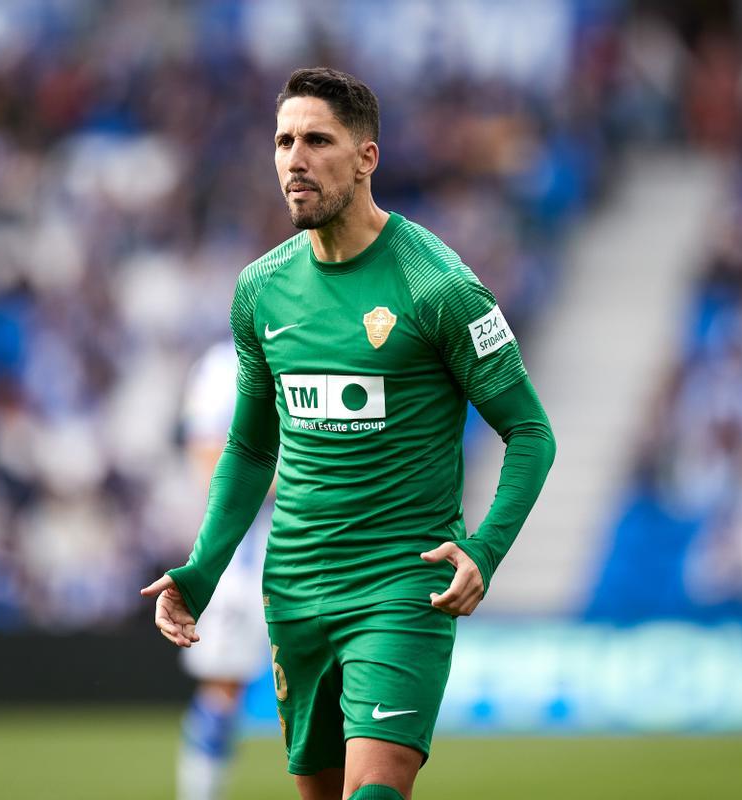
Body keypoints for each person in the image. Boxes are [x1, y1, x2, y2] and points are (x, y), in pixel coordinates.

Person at [142, 67, 556, 800]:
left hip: (401, 584)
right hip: (294, 588)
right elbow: (249, 447)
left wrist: (485, 550)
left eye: (317, 140)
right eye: (283, 140)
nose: (295, 158)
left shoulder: (438, 288)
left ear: (367, 156)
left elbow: (530, 432)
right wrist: (202, 570)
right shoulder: (260, 290)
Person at [176, 341, 273, 800]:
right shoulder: (221, 366)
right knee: (222, 687)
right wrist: (306, 475)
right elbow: (208, 463)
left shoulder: (331, 342)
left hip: (326, 551)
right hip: (243, 560)